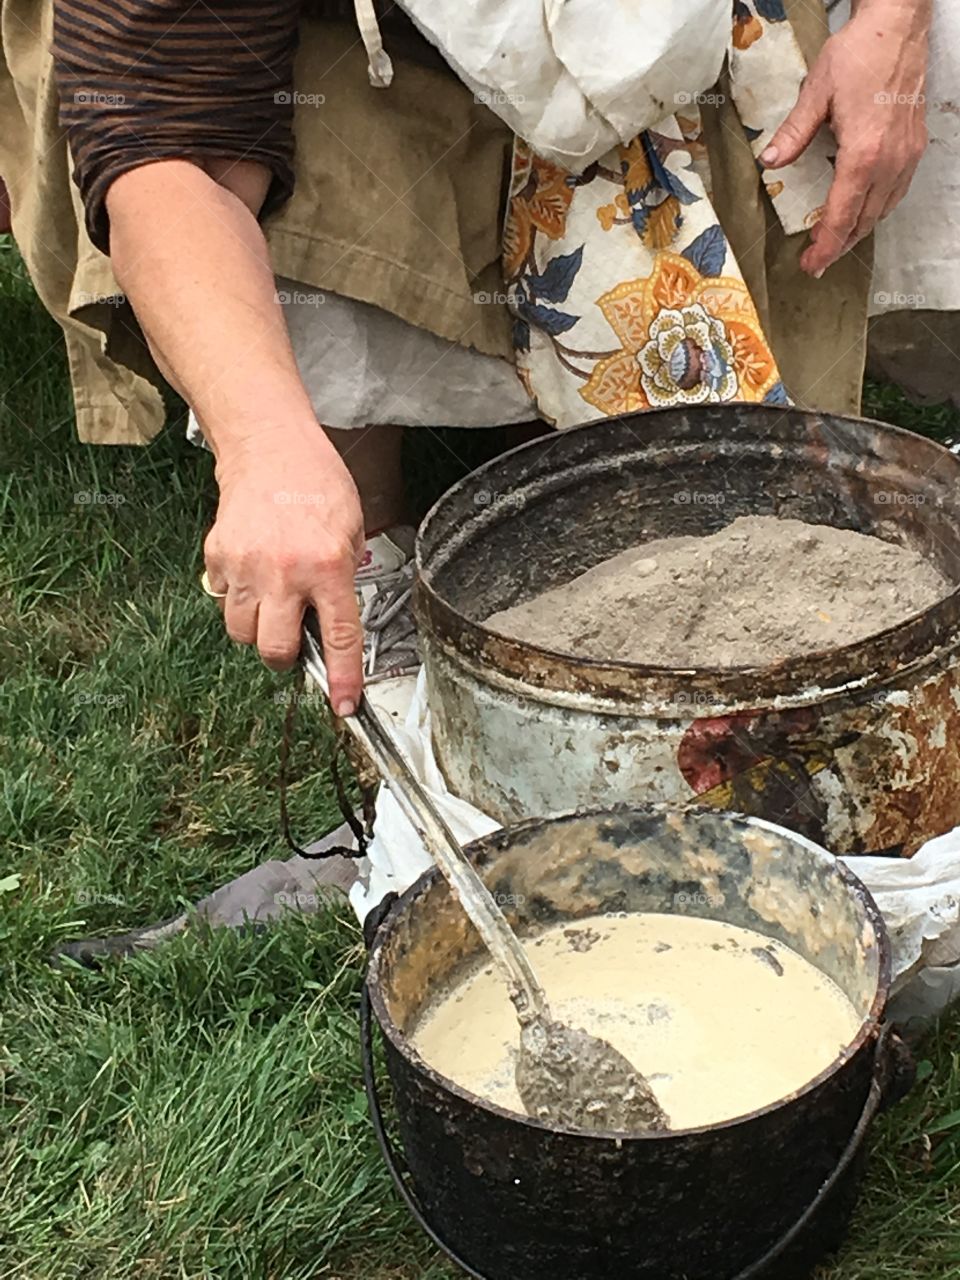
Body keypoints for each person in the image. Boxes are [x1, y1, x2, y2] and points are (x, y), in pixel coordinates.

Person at [0, 0, 932, 956]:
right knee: (327, 142)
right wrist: (264, 443)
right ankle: (411, 770)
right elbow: (176, 141)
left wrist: (892, 30)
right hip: (361, 48)